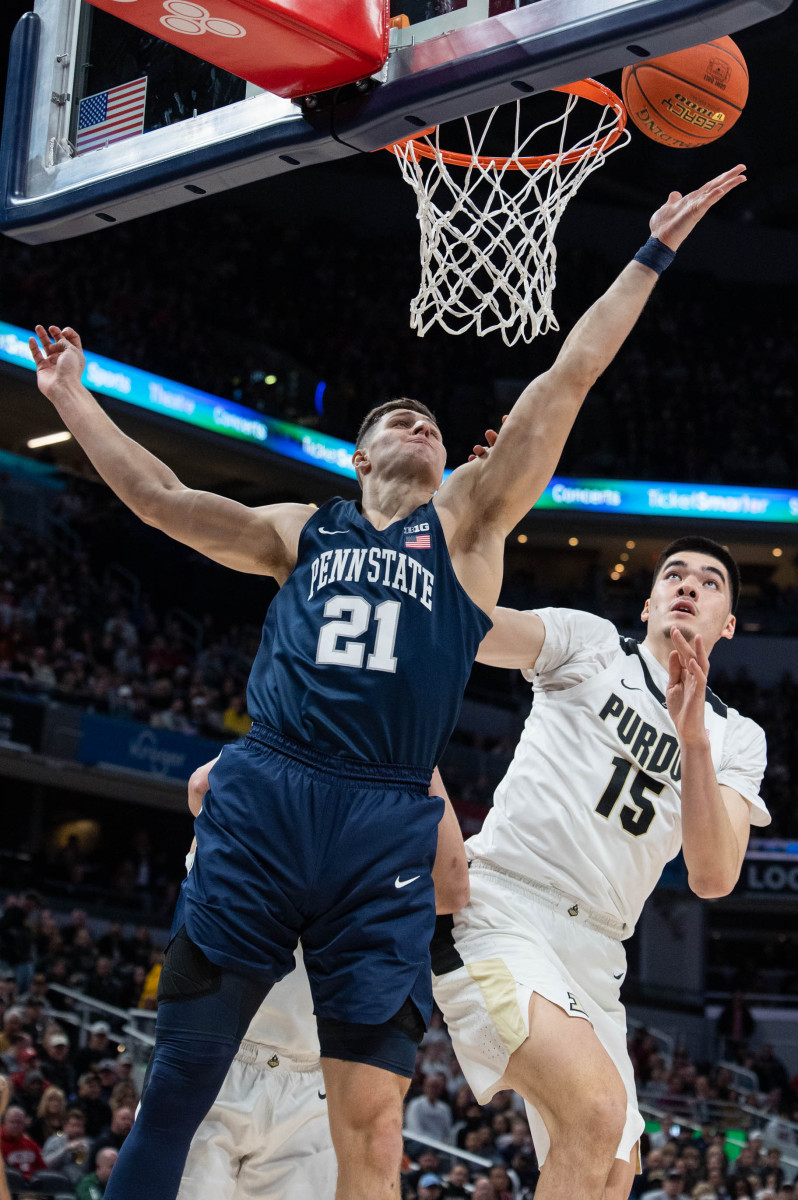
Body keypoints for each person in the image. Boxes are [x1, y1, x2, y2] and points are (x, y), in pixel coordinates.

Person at [30, 163, 745, 1200]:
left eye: (432, 423)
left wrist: (651, 251)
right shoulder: (298, 529)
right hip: (273, 789)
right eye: (398, 418)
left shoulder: (464, 527)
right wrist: (71, 400)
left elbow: (569, 378)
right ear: (358, 454)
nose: (421, 426)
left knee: (372, 1128)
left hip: (384, 821)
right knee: (179, 1082)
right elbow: (162, 496)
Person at [432, 534, 769, 1200]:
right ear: (646, 604)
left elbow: (712, 875)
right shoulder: (588, 646)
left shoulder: (737, 736)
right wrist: (481, 520)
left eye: (709, 582)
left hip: (597, 953)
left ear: (727, 623)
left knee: (612, 1173)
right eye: (674, 574)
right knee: (595, 1113)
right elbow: (462, 630)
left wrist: (692, 736)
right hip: (505, 906)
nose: (688, 586)